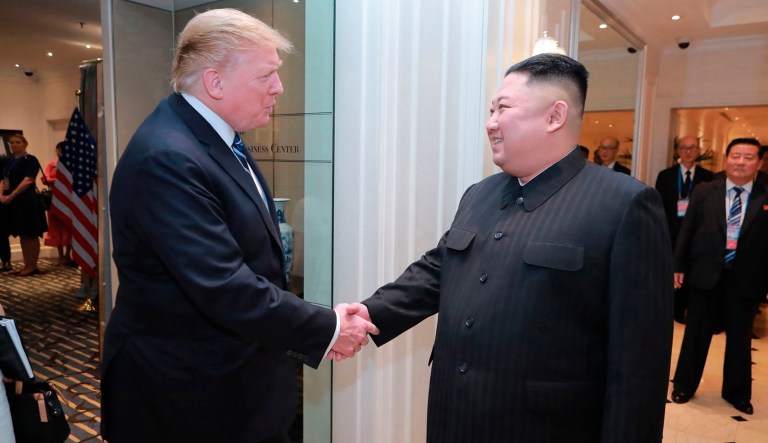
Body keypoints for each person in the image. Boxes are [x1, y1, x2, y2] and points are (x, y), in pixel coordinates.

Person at [346, 54, 673, 442]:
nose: (491, 123)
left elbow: (639, 364)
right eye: (490, 109)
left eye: (503, 109)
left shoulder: (624, 204)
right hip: (454, 415)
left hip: (543, 427)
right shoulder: (479, 194)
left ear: (555, 116)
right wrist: (366, 313)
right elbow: (439, 270)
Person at [101, 9, 377, 443]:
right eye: (266, 75)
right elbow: (224, 285)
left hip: (232, 384)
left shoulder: (211, 139)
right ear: (215, 82)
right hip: (187, 398)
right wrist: (328, 327)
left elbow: (252, 263)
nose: (279, 88)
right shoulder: (168, 157)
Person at [671, 137, 768, 416]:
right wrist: (678, 266)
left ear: (759, 163)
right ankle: (684, 386)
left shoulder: (765, 196)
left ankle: (737, 393)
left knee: (740, 340)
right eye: (736, 155)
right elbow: (686, 231)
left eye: (749, 157)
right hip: (705, 275)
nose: (741, 162)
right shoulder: (705, 191)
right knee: (695, 336)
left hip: (746, 281)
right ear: (726, 159)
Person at [655, 135, 715, 323]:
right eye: (684, 147)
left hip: (697, 234)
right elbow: (659, 206)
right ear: (678, 151)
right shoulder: (665, 176)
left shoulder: (708, 177)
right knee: (670, 271)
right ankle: (671, 309)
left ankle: (686, 309)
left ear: (698, 150)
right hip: (670, 232)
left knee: (690, 272)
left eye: (692, 147)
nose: (688, 151)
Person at [0, 134, 47, 276]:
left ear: (25, 143)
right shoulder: (9, 161)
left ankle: (32, 266)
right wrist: (2, 195)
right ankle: (27, 265)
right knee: (22, 233)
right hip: (14, 202)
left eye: (18, 142)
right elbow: (3, 179)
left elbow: (28, 180)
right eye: (12, 142)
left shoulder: (30, 160)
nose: (14, 145)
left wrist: (12, 194)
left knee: (30, 233)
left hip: (27, 200)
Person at [42, 141, 73, 266]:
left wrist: (55, 180)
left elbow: (72, 180)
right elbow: (45, 178)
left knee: (68, 226)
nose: (60, 152)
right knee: (55, 227)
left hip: (68, 199)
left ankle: (67, 255)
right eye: (58, 149)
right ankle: (60, 256)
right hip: (53, 199)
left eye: (62, 149)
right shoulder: (52, 164)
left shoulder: (72, 164)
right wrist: (59, 180)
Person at [0, 154, 10, 272]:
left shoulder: (5, 176)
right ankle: (6, 261)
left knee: (2, 235)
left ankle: (6, 261)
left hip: (1, 205)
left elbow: (6, 187)